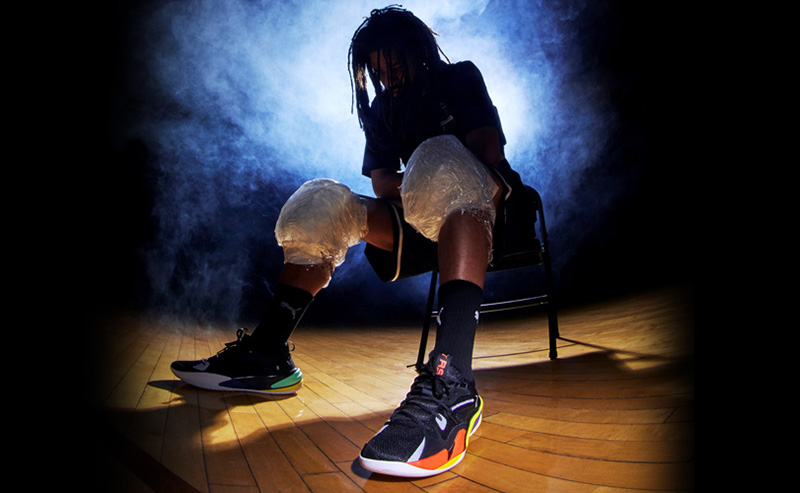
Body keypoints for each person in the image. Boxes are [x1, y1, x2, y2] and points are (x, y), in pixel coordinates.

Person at [171, 6, 536, 478]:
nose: (388, 79)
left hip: (492, 210)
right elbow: (383, 183)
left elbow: (488, 152)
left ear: (418, 52)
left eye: (395, 66)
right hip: (420, 218)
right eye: (378, 72)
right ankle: (267, 352)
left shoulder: (459, 77)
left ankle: (454, 384)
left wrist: (430, 173)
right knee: (320, 204)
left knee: (440, 161)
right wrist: (419, 187)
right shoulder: (383, 108)